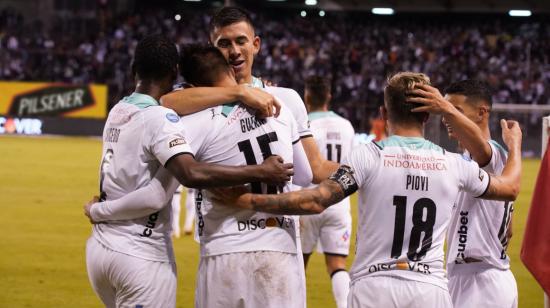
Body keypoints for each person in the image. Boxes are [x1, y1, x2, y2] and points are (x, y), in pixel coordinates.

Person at [211, 72, 523, 308]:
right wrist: (516, 145)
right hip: (430, 290)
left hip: (374, 288)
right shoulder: (454, 165)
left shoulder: (369, 156)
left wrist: (249, 198)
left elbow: (316, 200)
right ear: (428, 115)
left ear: (384, 114)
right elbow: (509, 188)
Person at [87, 44, 313, 308]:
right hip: (278, 249)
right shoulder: (279, 106)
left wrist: (99, 211)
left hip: (223, 249)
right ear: (230, 69)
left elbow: (163, 187)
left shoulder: (193, 120)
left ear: (192, 85)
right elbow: (306, 175)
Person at [161, 7, 339, 183]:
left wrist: (360, 167)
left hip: (278, 210)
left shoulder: (286, 98)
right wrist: (240, 91)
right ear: (212, 49)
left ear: (255, 45)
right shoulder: (197, 97)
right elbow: (167, 101)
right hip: (220, 210)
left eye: (241, 41)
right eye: (224, 44)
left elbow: (314, 170)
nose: (234, 51)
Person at [406, 79, 517, 307]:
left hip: (482, 281)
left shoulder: (490, 154)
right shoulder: (465, 161)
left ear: (481, 113)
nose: (446, 118)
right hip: (466, 276)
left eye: (456, 111)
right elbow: (510, 229)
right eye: (446, 110)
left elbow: (480, 148)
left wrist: (442, 105)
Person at [299, 76, 355, 308]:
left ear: (307, 97)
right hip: (340, 202)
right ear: (328, 97)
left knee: (297, 264)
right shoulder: (347, 126)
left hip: (306, 200)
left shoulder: (304, 125)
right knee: (337, 264)